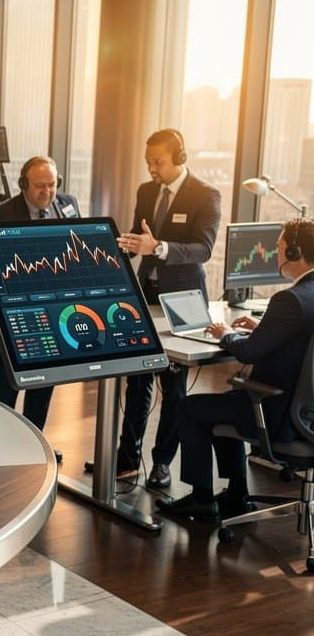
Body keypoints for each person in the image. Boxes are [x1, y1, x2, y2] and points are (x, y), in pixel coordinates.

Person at [156, 217, 314, 521]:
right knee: (221, 408)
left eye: (280, 247)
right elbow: (299, 338)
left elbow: (249, 351)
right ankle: (236, 494)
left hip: (278, 416)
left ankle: (202, 498)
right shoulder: (302, 299)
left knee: (190, 408)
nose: (277, 252)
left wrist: (224, 333)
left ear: (294, 253)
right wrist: (264, 328)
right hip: (307, 415)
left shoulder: (290, 300)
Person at [115, 128, 221, 485]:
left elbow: (202, 249)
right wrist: (116, 247)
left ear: (180, 158)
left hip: (184, 301)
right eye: (148, 162)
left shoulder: (206, 195)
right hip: (146, 295)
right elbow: (137, 238)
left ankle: (161, 463)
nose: (151, 169)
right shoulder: (146, 191)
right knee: (138, 379)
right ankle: (127, 458)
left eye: (157, 161)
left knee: (174, 387)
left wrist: (159, 247)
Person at [0, 156, 80, 432]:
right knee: (11, 374)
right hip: (14, 307)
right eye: (40, 185)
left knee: (46, 376)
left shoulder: (68, 204)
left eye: (52, 185)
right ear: (23, 184)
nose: (47, 192)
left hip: (54, 307)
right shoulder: (3, 213)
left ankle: (34, 439)